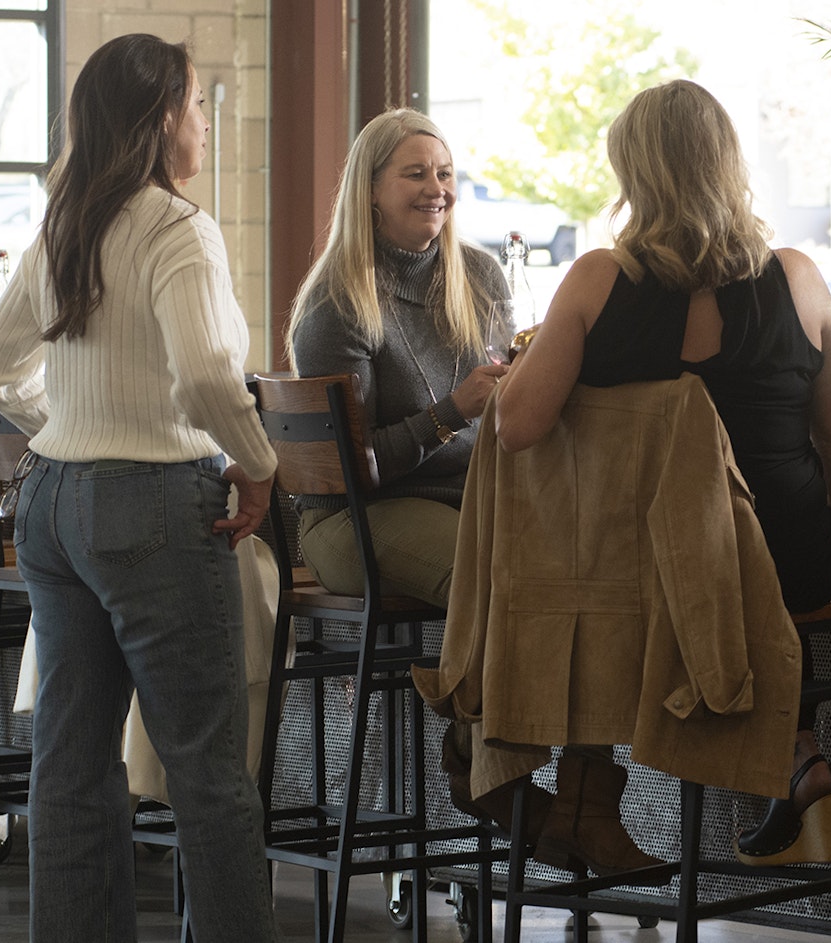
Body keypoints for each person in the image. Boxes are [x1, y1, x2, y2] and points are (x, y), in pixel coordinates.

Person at [495, 79, 831, 867]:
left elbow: (516, 425)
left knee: (662, 585)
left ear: (633, 175)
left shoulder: (599, 279)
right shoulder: (801, 276)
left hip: (647, 578)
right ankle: (793, 749)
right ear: (730, 164)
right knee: (742, 578)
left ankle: (587, 787)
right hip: (788, 567)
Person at [0, 34, 280, 942]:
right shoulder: (179, 229)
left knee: (69, 767)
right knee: (207, 772)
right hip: (153, 500)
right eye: (192, 106)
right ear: (157, 121)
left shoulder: (66, 222)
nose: (202, 123)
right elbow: (208, 380)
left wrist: (63, 428)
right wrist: (259, 465)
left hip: (56, 505)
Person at [285, 107, 537, 859]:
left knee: (569, 568)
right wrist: (452, 411)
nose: (437, 188)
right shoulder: (338, 300)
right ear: (369, 189)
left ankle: (569, 784)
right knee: (492, 574)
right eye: (416, 173)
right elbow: (350, 470)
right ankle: (491, 767)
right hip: (351, 519)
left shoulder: (481, 275)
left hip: (471, 502)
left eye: (446, 174)